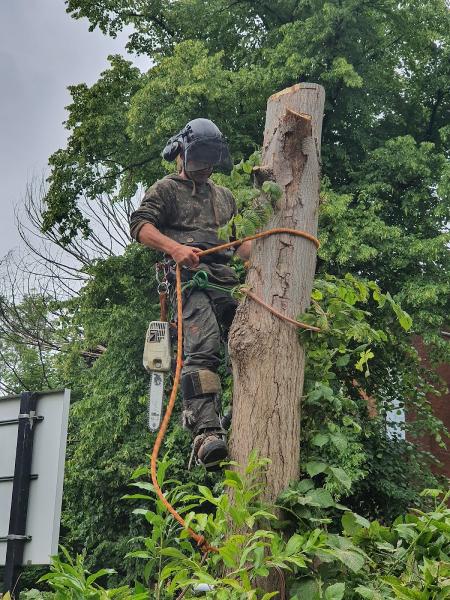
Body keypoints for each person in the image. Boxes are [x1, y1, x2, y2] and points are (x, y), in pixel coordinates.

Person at [129, 118, 251, 469]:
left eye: (210, 160)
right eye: (198, 158)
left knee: (251, 336)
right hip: (188, 278)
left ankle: (241, 407)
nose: (204, 167)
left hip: (225, 279)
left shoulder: (225, 197)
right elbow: (140, 226)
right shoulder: (166, 189)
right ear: (181, 154)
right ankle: (205, 431)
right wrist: (175, 248)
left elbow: (241, 246)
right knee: (205, 345)